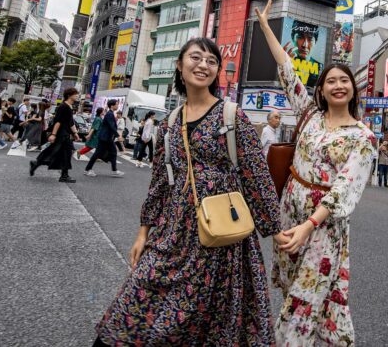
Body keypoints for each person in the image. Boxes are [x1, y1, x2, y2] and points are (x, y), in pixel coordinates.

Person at [93, 37, 281, 345]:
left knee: (207, 322)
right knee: (135, 301)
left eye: (211, 61)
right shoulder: (169, 123)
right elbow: (159, 184)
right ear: (180, 66)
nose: (203, 65)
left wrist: (276, 230)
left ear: (218, 70)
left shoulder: (231, 117)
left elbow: (257, 176)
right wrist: (144, 232)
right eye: (195, 58)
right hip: (172, 235)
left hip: (220, 241)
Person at [255, 0, 377, 344]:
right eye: (331, 81)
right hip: (290, 212)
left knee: (304, 300)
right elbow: (287, 71)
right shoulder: (309, 114)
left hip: (323, 224)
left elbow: (344, 188)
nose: (338, 85)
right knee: (304, 291)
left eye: (345, 80)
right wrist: (265, 27)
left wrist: (310, 225)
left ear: (353, 89)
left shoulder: (363, 137)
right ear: (321, 90)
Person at [29, 87, 81, 183]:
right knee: (56, 151)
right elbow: (58, 122)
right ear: (69, 95)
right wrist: (53, 134)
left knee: (64, 153)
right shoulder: (63, 106)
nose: (77, 96)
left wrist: (75, 133)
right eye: (76, 94)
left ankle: (37, 163)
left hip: (66, 134)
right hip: (61, 134)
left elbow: (71, 122)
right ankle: (38, 164)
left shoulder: (70, 106)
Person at [83, 99, 125, 178]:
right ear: (112, 106)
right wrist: (118, 135)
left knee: (113, 152)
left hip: (107, 138)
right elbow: (111, 126)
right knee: (97, 154)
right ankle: (87, 169)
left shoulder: (111, 113)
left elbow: (111, 126)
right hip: (104, 138)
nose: (117, 106)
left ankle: (114, 170)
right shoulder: (109, 114)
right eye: (116, 104)